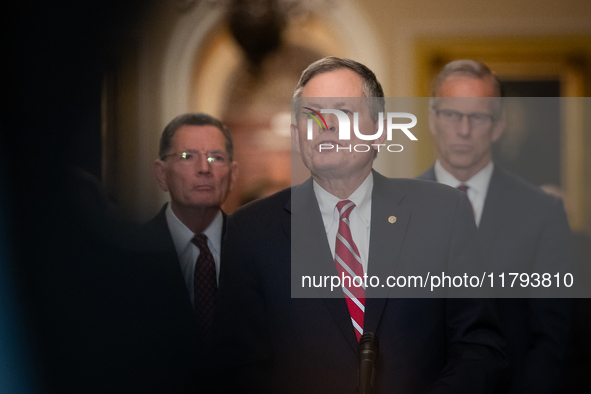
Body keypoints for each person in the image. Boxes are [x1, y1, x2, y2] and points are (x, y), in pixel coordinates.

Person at [217, 57, 505, 394]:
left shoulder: (443, 213)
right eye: (311, 115)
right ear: (296, 137)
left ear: (380, 131)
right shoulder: (250, 231)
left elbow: (480, 349)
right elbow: (236, 369)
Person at [418, 59, 573, 393]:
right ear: (432, 119)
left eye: (478, 116)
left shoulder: (543, 213)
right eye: (451, 114)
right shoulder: (397, 209)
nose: (463, 129)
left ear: (498, 125)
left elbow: (551, 341)